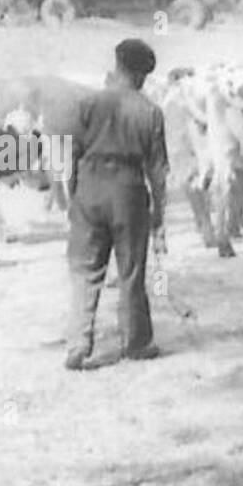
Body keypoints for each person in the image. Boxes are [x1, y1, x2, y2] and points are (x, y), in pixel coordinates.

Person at [64, 38, 168, 371]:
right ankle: (136, 342)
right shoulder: (150, 111)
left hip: (89, 187)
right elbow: (158, 171)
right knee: (131, 271)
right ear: (140, 75)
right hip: (128, 190)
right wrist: (159, 213)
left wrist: (72, 196)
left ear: (118, 65)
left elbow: (68, 154)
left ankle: (78, 344)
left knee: (85, 270)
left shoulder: (87, 102)